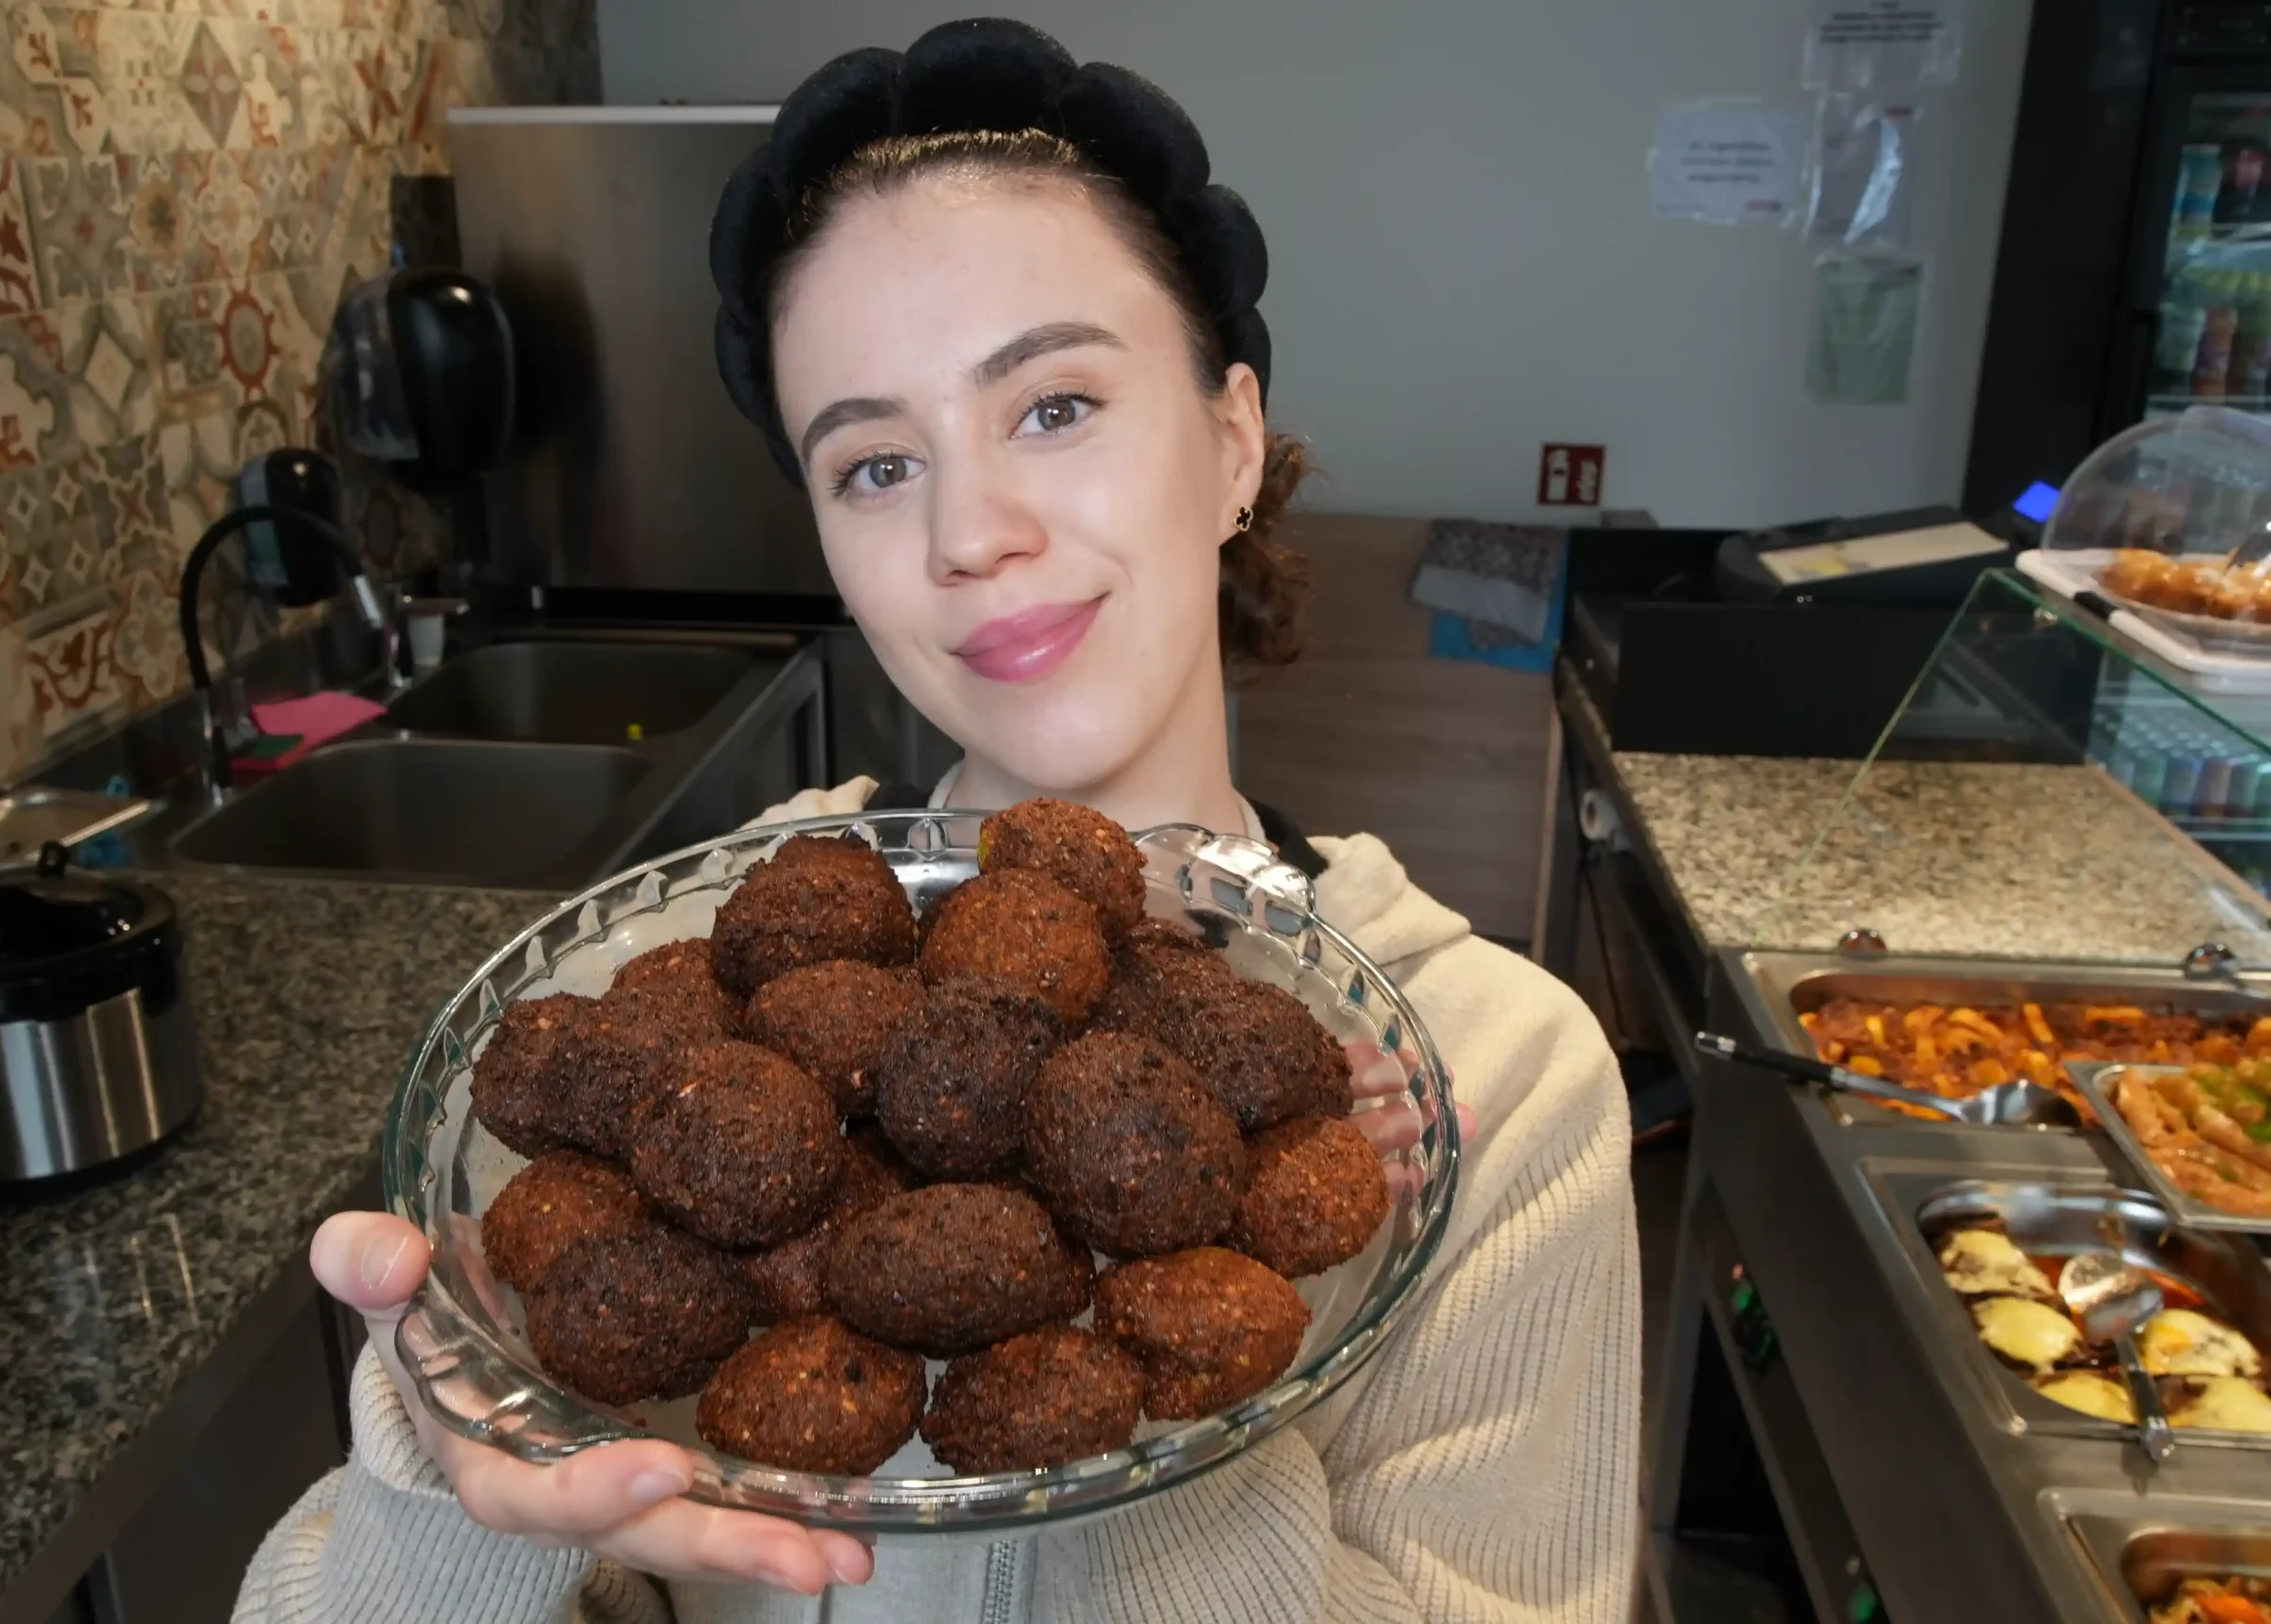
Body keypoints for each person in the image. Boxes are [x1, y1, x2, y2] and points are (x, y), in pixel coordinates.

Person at [235, 20, 1636, 1624]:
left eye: (1053, 406)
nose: (972, 530)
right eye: (878, 463)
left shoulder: (1500, 1083)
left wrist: (1143, 1414)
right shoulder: (688, 974)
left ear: (1232, 437)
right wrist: (465, 1467)